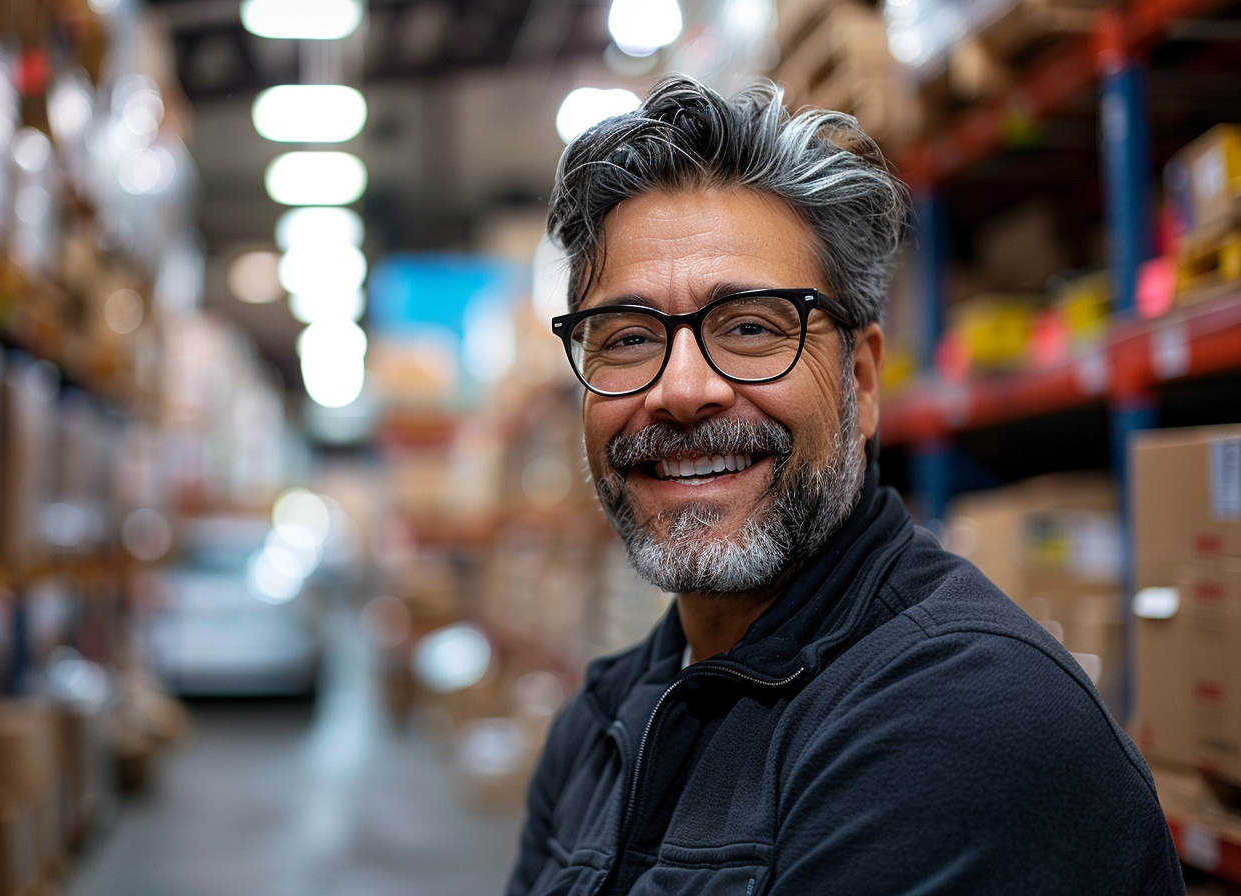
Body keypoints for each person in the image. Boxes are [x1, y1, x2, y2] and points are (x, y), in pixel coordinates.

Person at [505, 74, 1184, 896]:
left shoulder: (962, 719)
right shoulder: (598, 726)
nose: (680, 391)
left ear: (860, 380)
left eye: (750, 327)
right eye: (627, 338)